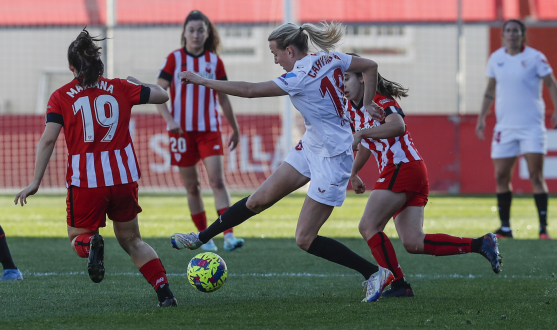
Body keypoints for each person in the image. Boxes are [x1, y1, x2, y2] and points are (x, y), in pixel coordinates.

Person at [171, 21, 393, 302]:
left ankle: (375, 273)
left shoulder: (299, 76)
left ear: (289, 50)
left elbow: (250, 91)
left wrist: (203, 80)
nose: (275, 60)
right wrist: (366, 104)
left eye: (275, 54)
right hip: (311, 144)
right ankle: (200, 238)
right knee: (257, 200)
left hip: (333, 158)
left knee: (305, 238)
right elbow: (370, 66)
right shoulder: (329, 57)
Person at [14, 29, 177, 307]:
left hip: (87, 181)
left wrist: (35, 181)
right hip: (123, 178)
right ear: (98, 64)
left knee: (78, 236)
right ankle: (165, 293)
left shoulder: (61, 96)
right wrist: (137, 82)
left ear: (71, 67)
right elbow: (163, 95)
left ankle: (91, 246)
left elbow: (48, 139)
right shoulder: (121, 87)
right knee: (132, 240)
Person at [346, 63, 503, 298]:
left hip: (402, 167)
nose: (342, 85)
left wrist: (361, 133)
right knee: (413, 242)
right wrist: (354, 172)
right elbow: (368, 146)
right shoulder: (353, 109)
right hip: (410, 170)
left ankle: (397, 282)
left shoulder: (380, 100)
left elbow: (397, 126)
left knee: (368, 226)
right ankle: (481, 244)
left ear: (362, 79)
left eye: (346, 78)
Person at [156, 10, 244, 252]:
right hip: (181, 133)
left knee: (217, 180)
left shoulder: (215, 62)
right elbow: (158, 94)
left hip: (209, 130)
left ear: (207, 34)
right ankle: (206, 239)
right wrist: (170, 120)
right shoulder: (174, 59)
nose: (196, 34)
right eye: (192, 30)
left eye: (200, 30)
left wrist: (235, 129)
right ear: (184, 33)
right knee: (192, 187)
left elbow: (224, 98)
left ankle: (228, 235)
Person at [476, 19, 557, 240]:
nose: (512, 34)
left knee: (535, 175)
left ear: (523, 35)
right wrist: (481, 118)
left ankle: (543, 229)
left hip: (532, 127)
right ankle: (505, 228)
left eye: (516, 31)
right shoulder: (496, 58)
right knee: (501, 175)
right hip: (505, 128)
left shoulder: (535, 57)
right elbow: (490, 90)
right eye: (508, 31)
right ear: (503, 35)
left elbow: (551, 83)